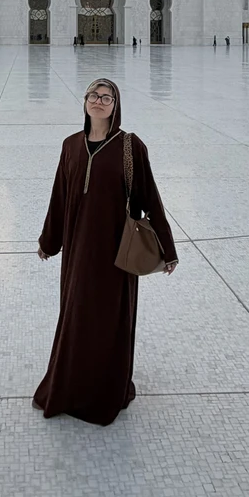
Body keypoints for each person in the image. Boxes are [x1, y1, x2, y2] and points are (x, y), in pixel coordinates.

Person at [33, 78, 178, 426]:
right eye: (93, 96)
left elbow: (150, 198)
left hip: (116, 253)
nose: (99, 101)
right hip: (79, 252)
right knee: (77, 316)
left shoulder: (130, 147)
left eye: (106, 97)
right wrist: (48, 241)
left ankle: (104, 392)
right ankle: (69, 388)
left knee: (109, 322)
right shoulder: (70, 146)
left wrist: (167, 248)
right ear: (84, 102)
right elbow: (58, 198)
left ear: (116, 105)